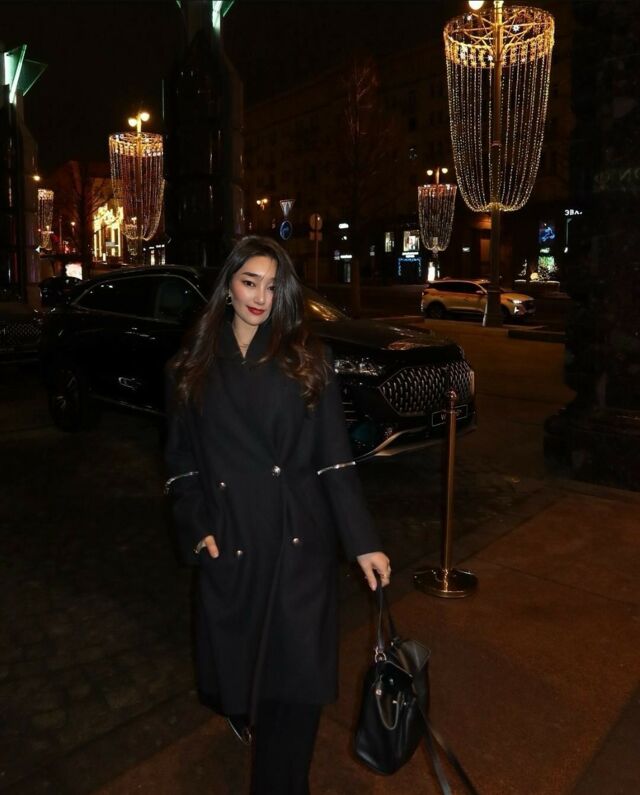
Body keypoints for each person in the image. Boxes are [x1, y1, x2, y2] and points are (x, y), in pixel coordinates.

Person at [164, 235, 391, 794]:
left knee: (295, 692)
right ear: (228, 286)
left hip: (297, 546)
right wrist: (199, 529)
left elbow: (334, 460)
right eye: (249, 282)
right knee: (248, 685)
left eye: (272, 285)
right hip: (234, 544)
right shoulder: (192, 365)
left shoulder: (306, 357)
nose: (260, 297)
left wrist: (362, 541)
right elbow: (181, 467)